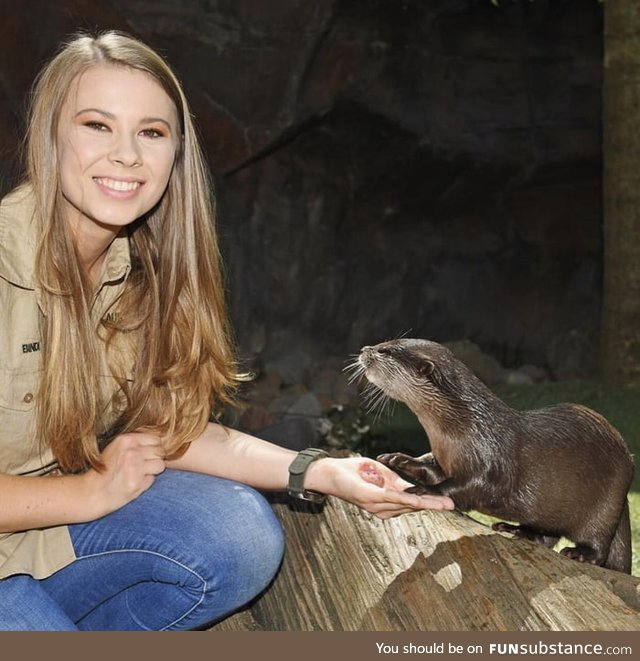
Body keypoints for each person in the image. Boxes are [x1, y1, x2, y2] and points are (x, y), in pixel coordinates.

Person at [0, 30, 454, 631]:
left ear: (176, 152)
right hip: (51, 512)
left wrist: (318, 470)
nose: (128, 155)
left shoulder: (134, 274)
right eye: (96, 125)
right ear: (49, 137)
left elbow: (173, 429)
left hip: (30, 538)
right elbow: (92, 489)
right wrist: (87, 494)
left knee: (238, 536)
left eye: (151, 133)